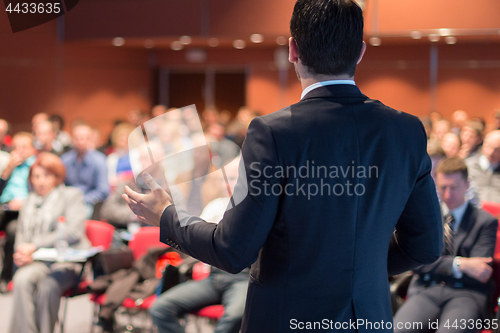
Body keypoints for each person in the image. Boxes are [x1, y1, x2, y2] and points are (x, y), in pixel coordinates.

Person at [124, 0, 443, 332]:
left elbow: (233, 250)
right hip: (369, 318)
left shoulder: (274, 133)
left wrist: (167, 216)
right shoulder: (406, 130)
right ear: (360, 52)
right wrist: (361, 268)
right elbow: (425, 246)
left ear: (293, 49)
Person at [394, 157, 497, 333]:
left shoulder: (486, 221)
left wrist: (435, 264)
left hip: (466, 294)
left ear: (467, 184)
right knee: (398, 330)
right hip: (427, 289)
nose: (448, 194)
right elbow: (417, 263)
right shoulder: (425, 218)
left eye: (454, 188)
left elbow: (480, 272)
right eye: (443, 187)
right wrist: (461, 264)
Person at [149, 157, 249, 333]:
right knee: (160, 308)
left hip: (241, 278)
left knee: (234, 317)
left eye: (233, 178)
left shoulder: (254, 211)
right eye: (223, 178)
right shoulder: (215, 205)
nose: (227, 183)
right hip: (214, 277)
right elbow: (196, 241)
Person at [8, 152, 90, 333]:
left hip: (67, 260)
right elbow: (21, 234)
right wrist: (21, 254)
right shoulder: (29, 200)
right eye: (36, 177)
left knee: (47, 287)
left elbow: (73, 231)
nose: (41, 181)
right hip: (39, 261)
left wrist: (35, 245)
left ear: (57, 177)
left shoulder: (71, 195)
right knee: (22, 279)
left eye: (46, 176)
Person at [0, 132, 38, 290]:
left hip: (24, 211)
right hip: (4, 208)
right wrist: (7, 171)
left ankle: (5, 277)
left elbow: (40, 192)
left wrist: (25, 201)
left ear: (32, 149)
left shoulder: (36, 165)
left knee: (13, 232)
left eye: (24, 147)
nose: (19, 151)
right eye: (16, 147)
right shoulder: (8, 164)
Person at [61, 123, 109, 218]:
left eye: (84, 138)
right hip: (67, 200)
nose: (81, 141)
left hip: (88, 202)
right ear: (72, 139)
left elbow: (103, 190)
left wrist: (82, 199)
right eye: (77, 138)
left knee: (78, 215)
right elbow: (60, 185)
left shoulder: (99, 160)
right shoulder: (65, 160)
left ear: (90, 139)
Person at [466, 130, 500, 203]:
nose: (491, 152)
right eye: (489, 146)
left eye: (497, 149)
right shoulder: (468, 165)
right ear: (483, 144)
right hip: (475, 211)